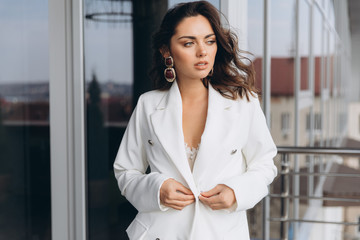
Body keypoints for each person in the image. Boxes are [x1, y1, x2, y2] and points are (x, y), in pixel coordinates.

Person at [113, 1, 277, 239]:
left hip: (222, 232)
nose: (202, 51)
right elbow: (125, 172)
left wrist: (236, 192)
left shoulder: (243, 102)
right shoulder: (148, 105)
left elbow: (264, 165)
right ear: (166, 51)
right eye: (188, 43)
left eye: (209, 41)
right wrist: (157, 190)